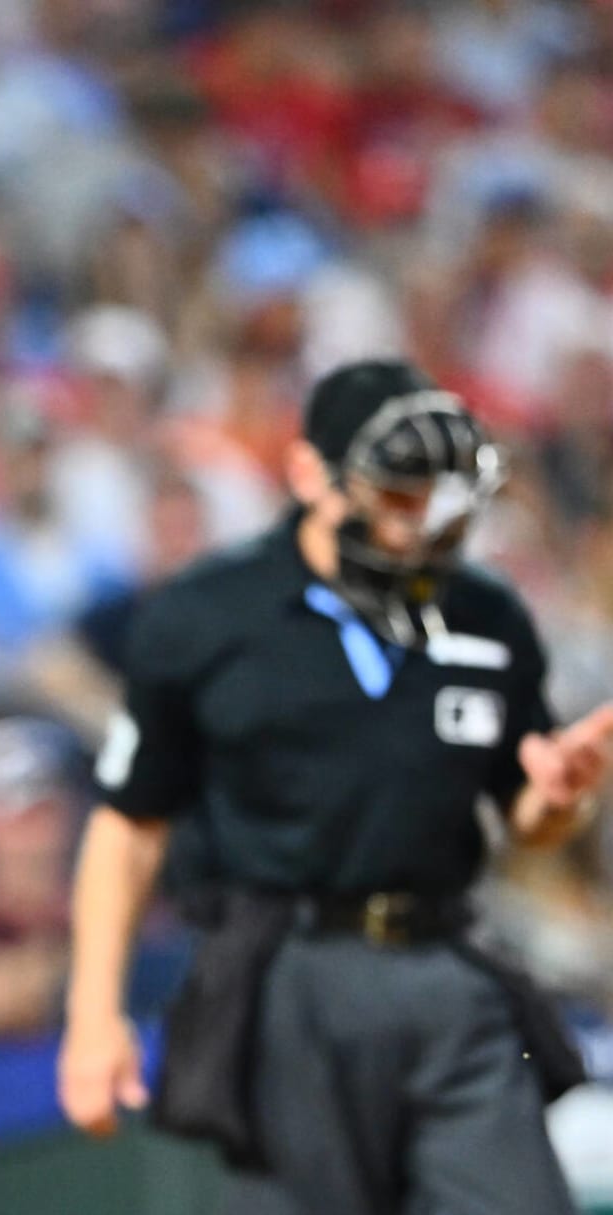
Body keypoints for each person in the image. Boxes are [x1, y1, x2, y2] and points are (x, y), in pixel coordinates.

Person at [57, 358, 605, 1215]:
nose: (423, 521)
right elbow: (129, 824)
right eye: (397, 492)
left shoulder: (488, 613)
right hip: (286, 977)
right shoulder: (208, 614)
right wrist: (94, 1016)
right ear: (311, 472)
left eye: (441, 492)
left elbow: (523, 816)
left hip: (447, 961)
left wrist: (560, 795)